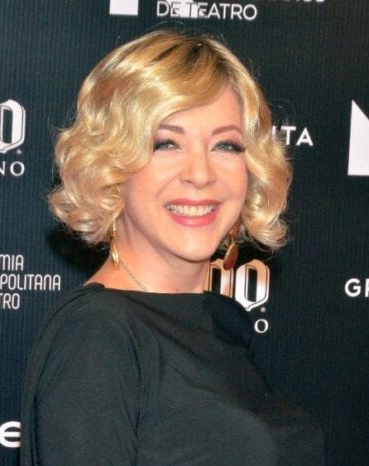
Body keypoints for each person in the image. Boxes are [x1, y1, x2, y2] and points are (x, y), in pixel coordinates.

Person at [21, 29, 324, 465]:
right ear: (111, 164)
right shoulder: (98, 333)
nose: (200, 174)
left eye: (225, 145)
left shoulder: (220, 322)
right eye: (166, 143)